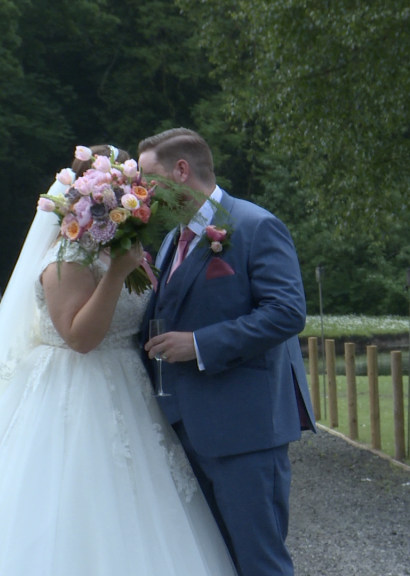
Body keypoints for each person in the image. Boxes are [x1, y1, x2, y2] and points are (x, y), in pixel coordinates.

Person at [0, 145, 236, 576]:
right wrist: (118, 273)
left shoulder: (112, 252)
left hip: (125, 389)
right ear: (90, 197)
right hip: (72, 390)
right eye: (123, 187)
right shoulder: (68, 258)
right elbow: (80, 338)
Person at [140, 128, 316, 576]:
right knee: (213, 562)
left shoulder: (256, 226)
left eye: (150, 179)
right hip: (187, 426)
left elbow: (286, 313)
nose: (144, 193)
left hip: (246, 432)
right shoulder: (169, 241)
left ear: (182, 170)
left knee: (260, 563)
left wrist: (199, 344)